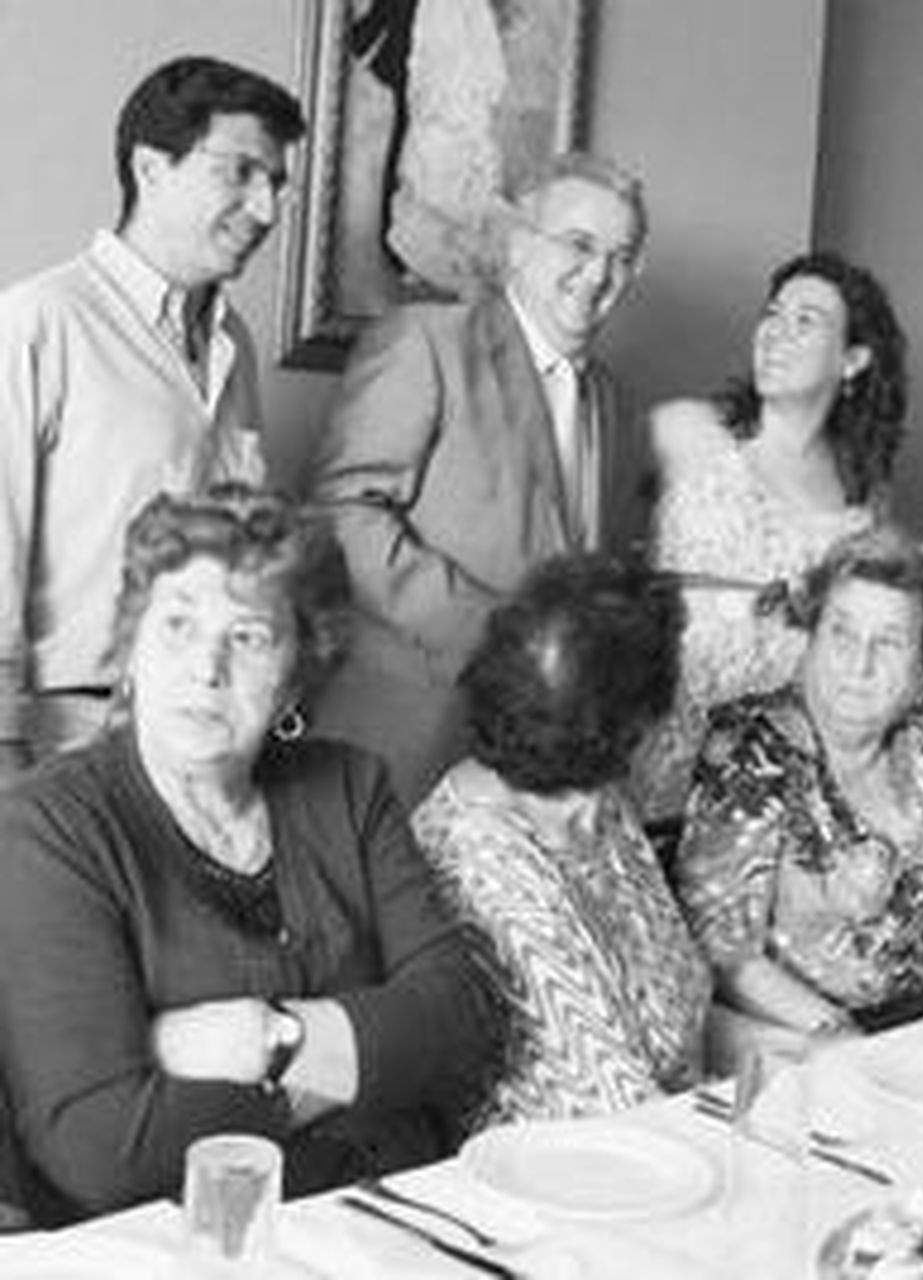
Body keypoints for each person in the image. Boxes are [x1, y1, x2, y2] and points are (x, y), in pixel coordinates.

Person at [0, 486, 500, 1223]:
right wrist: (356, 1063)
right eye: (176, 624)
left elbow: (460, 1020)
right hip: (180, 1251)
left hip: (393, 1219)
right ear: (131, 649)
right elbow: (101, 1148)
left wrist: (270, 1036)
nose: (206, 667)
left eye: (249, 637)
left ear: (298, 675)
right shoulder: (49, 827)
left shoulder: (351, 787)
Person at [306, 151, 650, 807]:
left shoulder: (611, 399)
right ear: (520, 245)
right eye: (579, 244)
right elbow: (343, 513)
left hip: (538, 759)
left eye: (622, 256)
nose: (599, 273)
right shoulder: (427, 340)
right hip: (408, 730)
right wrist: (497, 638)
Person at [0, 56, 305, 777]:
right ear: (150, 168)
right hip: (64, 737)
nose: (265, 210)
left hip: (206, 734)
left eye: (277, 184)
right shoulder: (38, 323)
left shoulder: (235, 348)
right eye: (240, 173)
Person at [674, 528, 923, 1040]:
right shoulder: (752, 748)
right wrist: (840, 1037)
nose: (859, 664)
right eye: (841, 633)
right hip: (797, 1037)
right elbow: (723, 952)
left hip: (918, 1029)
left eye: (890, 642)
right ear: (810, 637)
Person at [412, 555, 712, 1123]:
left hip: (678, 1131)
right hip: (575, 1175)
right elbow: (618, 1109)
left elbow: (684, 1013)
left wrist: (814, 1053)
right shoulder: (482, 858)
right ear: (636, 723)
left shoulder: (596, 804)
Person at [635, 251, 907, 819]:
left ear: (853, 359)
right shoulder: (683, 431)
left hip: (775, 766)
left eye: (806, 321)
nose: (776, 335)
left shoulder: (865, 495)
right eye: (772, 314)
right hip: (661, 731)